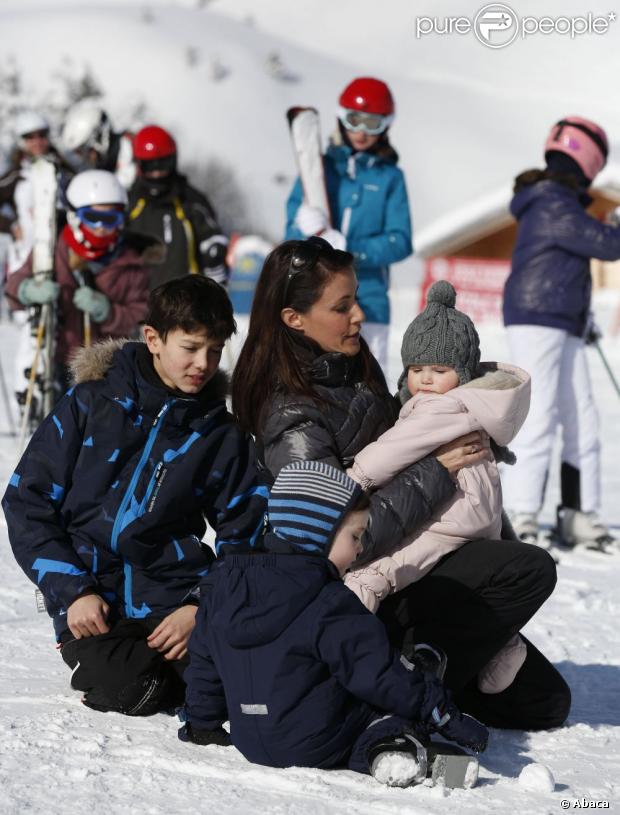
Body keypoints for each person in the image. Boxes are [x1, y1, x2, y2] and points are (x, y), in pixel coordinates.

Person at [231, 236, 571, 731]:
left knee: (543, 702)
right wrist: (438, 468)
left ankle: (417, 668)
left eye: (357, 301)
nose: (358, 316)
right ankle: (396, 691)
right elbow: (324, 536)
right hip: (357, 588)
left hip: (420, 555)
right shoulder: (293, 412)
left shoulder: (355, 372)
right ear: (294, 319)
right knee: (527, 570)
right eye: (342, 306)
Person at [2, 275, 268, 716]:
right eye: (191, 347)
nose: (203, 363)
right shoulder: (89, 403)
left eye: (215, 350)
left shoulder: (218, 433)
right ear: (153, 339)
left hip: (172, 601)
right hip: (94, 605)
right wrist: (73, 592)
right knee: (133, 688)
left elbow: (246, 533)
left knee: (247, 680)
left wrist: (200, 605)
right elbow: (27, 502)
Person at [181, 460, 487, 787]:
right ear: (318, 534)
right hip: (318, 740)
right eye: (355, 536)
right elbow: (379, 673)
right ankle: (391, 747)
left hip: (251, 742)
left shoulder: (223, 588)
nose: (359, 549)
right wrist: (446, 716)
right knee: (387, 705)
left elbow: (204, 665)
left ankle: (386, 752)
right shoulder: (326, 601)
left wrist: (202, 722)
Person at [345, 280, 531, 695]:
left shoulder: (440, 408)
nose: (425, 380)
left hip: (452, 515)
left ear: (462, 374)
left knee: (395, 563)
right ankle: (506, 645)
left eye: (439, 371)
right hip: (482, 519)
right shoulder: (473, 404)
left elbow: (392, 450)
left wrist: (356, 477)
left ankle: (361, 598)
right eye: (417, 371)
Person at [502, 116, 620, 550]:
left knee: (583, 418)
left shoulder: (558, 199)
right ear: (589, 158)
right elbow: (607, 244)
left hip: (561, 318)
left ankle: (577, 512)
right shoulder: (551, 199)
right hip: (538, 316)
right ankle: (521, 511)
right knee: (540, 414)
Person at [285, 77, 412, 372]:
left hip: (368, 301)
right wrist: (303, 232)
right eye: (355, 120)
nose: (362, 132)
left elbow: (400, 240)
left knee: (366, 385)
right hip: (316, 300)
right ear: (342, 119)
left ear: (386, 125)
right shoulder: (321, 170)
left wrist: (348, 249)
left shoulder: (390, 178)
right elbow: (288, 236)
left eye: (373, 123)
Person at [5, 169, 151, 394]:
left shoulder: (130, 262)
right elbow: (13, 284)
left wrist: (108, 312)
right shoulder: (53, 250)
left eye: (110, 219)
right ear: (74, 216)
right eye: (93, 218)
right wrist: (28, 290)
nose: (101, 228)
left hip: (107, 369)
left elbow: (140, 314)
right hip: (58, 363)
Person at [127, 125, 229, 290]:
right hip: (138, 303)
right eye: (150, 166)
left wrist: (215, 286)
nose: (157, 173)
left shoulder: (192, 202)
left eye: (163, 165)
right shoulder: (130, 203)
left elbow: (213, 242)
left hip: (186, 304)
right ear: (139, 166)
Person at [0, 109, 72, 270]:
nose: (37, 141)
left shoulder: (64, 172)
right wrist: (11, 226)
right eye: (29, 137)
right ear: (21, 141)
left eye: (42, 135)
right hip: (25, 254)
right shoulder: (16, 176)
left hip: (62, 251)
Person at [61, 99, 135, 189]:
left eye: (83, 150)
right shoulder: (103, 162)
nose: (82, 157)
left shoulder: (126, 147)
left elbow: (124, 183)